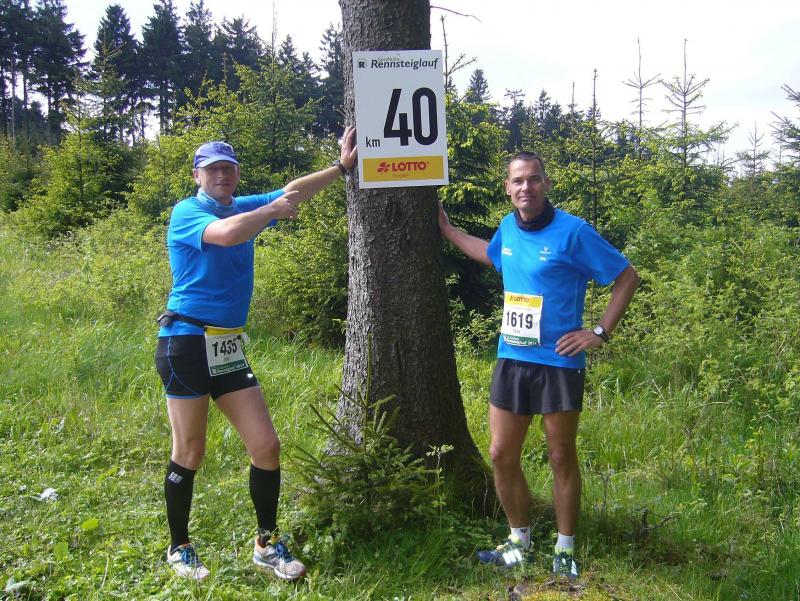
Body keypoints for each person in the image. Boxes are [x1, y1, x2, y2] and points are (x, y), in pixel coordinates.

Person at [154, 127, 357, 581]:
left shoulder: (241, 205)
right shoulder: (188, 212)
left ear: (237, 174)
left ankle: (266, 544)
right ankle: (179, 547)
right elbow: (227, 235)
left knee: (266, 446)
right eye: (212, 170)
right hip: (186, 341)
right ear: (197, 176)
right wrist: (270, 211)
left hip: (227, 346)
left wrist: (340, 168)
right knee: (190, 449)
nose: (222, 176)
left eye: (228, 169)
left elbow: (292, 193)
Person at [438, 151, 639, 579]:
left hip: (559, 361)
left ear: (546, 183)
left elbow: (626, 277)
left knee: (561, 454)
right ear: (507, 189)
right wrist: (448, 230)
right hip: (513, 357)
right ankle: (518, 541)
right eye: (517, 181)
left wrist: (599, 332)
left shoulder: (574, 231)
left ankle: (565, 548)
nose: (525, 187)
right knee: (500, 453)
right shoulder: (508, 227)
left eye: (533, 179)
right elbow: (492, 254)